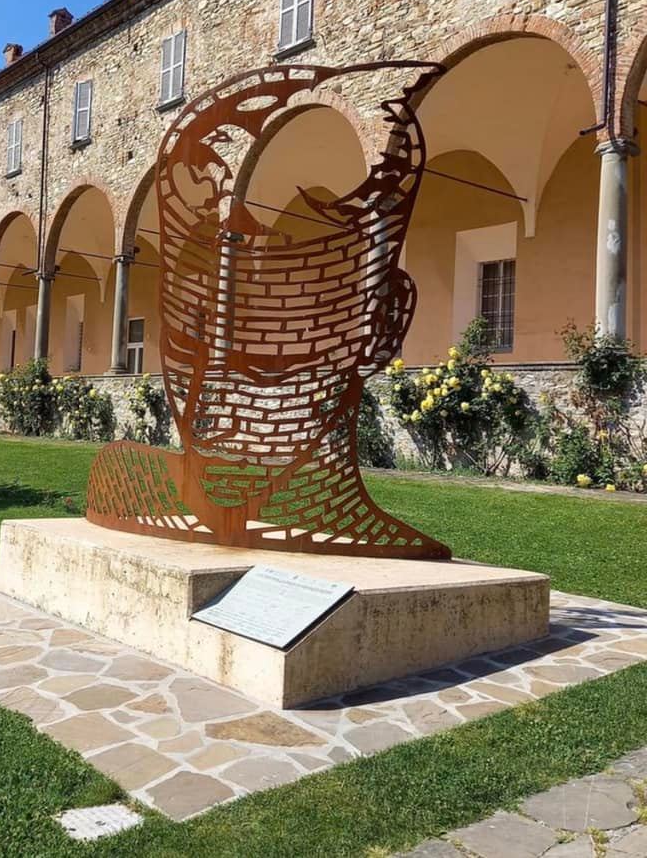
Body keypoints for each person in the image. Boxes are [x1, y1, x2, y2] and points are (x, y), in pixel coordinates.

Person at [87, 61, 451, 559]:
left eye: (271, 365)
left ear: (383, 329)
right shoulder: (126, 482)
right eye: (188, 340)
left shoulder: (128, 488)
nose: (211, 385)